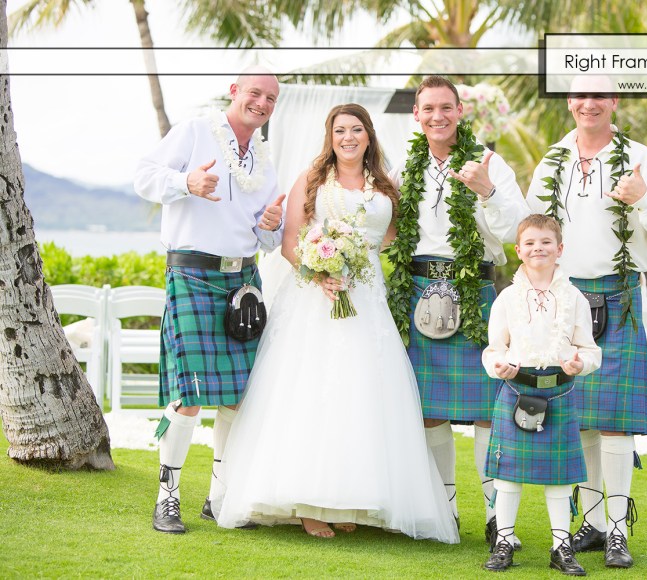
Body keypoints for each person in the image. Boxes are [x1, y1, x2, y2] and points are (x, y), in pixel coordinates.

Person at [215, 103, 459, 544]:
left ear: (369, 135)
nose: (348, 137)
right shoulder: (312, 180)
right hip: (316, 297)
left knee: (362, 392)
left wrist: (361, 260)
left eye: (357, 129)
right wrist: (319, 271)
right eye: (340, 130)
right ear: (330, 136)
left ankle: (348, 498)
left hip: (368, 296)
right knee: (315, 389)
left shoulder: (386, 183)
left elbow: (392, 238)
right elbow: (290, 244)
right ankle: (309, 505)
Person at [526, 76, 647, 568]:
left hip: (618, 297)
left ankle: (618, 530)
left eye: (600, 95)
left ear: (614, 101)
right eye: (580, 95)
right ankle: (594, 525)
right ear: (570, 102)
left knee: (616, 425)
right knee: (579, 425)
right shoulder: (552, 162)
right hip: (566, 299)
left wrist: (641, 197)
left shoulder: (641, 159)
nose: (589, 103)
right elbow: (534, 234)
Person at [135, 66, 285, 534]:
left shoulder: (263, 159)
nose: (261, 104)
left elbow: (268, 237)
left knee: (238, 398)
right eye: (254, 93)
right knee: (189, 397)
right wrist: (186, 185)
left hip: (244, 280)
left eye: (270, 99)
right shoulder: (195, 132)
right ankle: (168, 499)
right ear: (234, 91)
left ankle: (219, 498)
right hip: (193, 275)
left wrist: (271, 226)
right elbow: (144, 176)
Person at [386, 75, 531, 546]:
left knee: (489, 410)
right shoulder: (404, 167)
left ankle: (495, 517)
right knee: (429, 412)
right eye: (428, 109)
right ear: (417, 115)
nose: (437, 116)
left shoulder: (488, 161)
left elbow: (515, 230)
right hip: (417, 286)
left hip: (475, 291)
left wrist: (487, 190)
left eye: (446, 108)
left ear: (460, 112)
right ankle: (443, 511)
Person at [481, 214, 601, 575]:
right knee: (507, 476)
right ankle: (504, 542)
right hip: (517, 389)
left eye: (546, 242)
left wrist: (582, 363)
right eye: (530, 243)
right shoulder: (506, 299)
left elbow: (590, 349)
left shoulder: (574, 297)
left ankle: (561, 548)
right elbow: (493, 349)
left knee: (560, 478)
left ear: (560, 249)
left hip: (559, 393)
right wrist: (499, 365)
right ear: (518, 250)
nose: (538, 249)